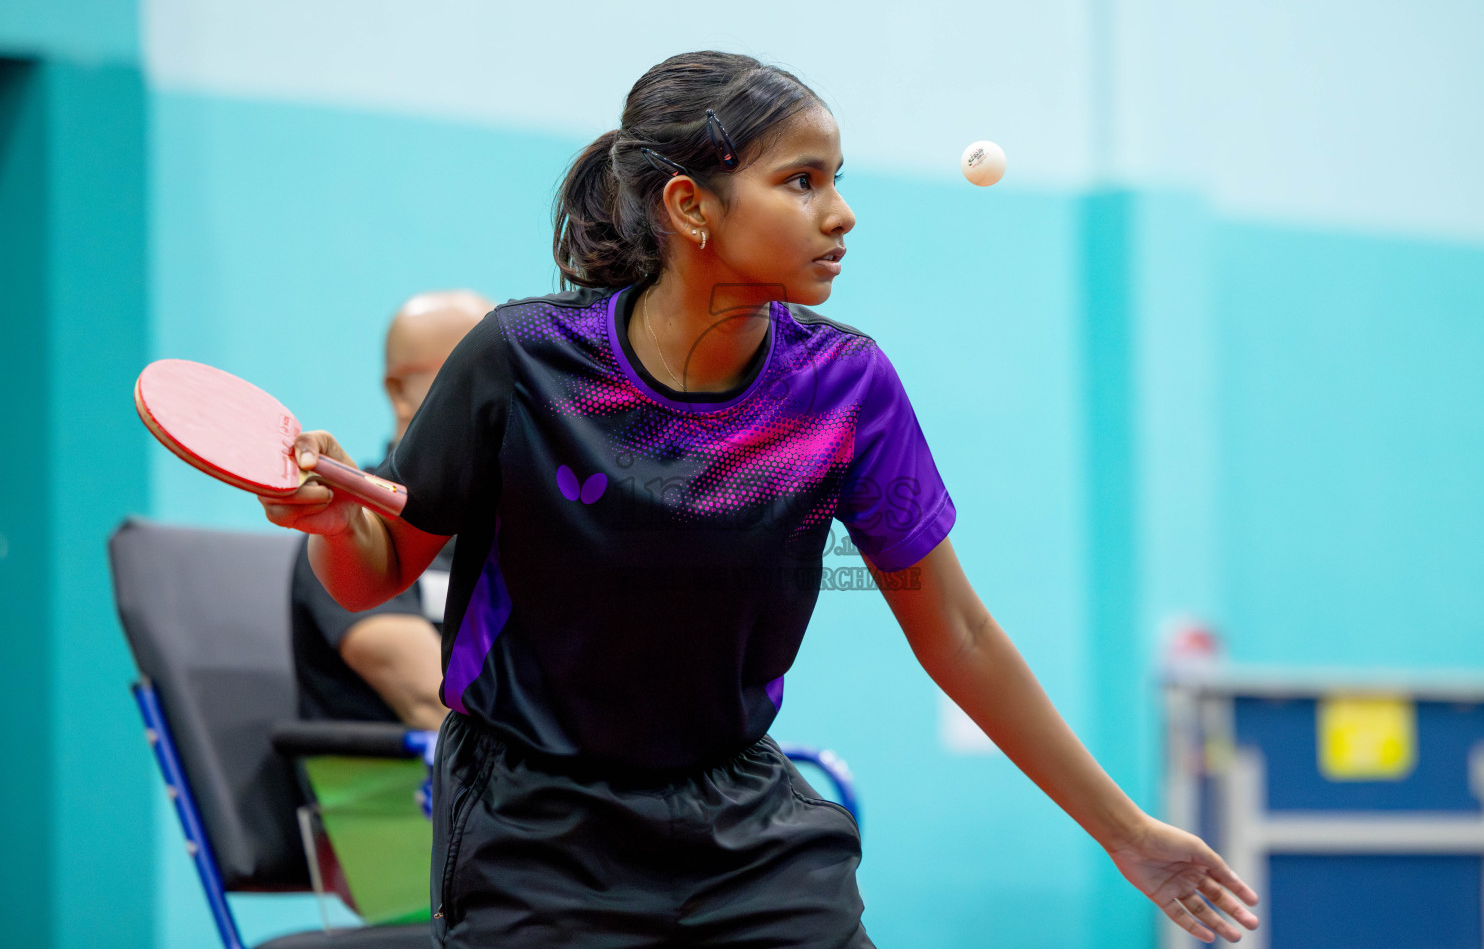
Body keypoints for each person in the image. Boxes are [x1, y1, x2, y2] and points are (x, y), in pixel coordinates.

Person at [261, 52, 1260, 947]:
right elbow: (372, 570)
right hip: (537, 823)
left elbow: (954, 629)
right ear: (691, 207)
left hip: (736, 819)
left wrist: (1123, 832)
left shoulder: (843, 387)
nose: (841, 212)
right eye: (801, 181)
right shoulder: (523, 359)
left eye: (837, 181)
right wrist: (326, 525)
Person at [290, 290, 493, 729]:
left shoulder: (510, 528)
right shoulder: (355, 532)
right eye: (476, 377)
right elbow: (429, 699)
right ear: (400, 391)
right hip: (404, 792)